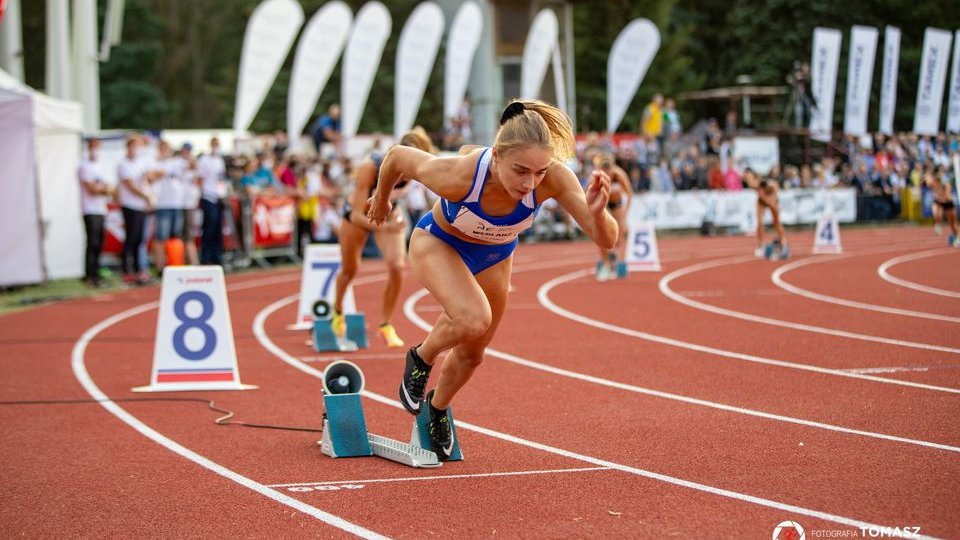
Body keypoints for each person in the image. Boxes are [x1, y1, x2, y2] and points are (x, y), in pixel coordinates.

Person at [366, 100, 618, 460]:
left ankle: (436, 409)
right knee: (473, 317)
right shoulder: (461, 174)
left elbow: (607, 240)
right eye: (521, 171)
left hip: (496, 257)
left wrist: (599, 214)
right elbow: (396, 156)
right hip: (439, 242)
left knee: (473, 356)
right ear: (497, 155)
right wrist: (381, 198)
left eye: (540, 172)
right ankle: (422, 357)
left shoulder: (556, 179)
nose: (530, 183)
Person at [330, 127, 437, 349]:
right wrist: (385, 228)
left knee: (398, 267)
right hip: (357, 217)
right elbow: (358, 214)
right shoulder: (370, 168)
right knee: (350, 270)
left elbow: (435, 195)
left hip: (390, 215)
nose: (408, 174)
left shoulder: (420, 168)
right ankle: (337, 311)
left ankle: (385, 324)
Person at [117, 136, 160, 284]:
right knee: (131, 238)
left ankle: (138, 270)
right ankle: (126, 270)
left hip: (141, 206)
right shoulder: (123, 164)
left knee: (139, 239)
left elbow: (151, 176)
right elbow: (130, 185)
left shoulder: (140, 163)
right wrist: (146, 196)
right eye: (133, 146)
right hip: (130, 205)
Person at [78, 137, 113, 287]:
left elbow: (110, 188)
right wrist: (103, 189)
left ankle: (96, 273)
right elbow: (92, 189)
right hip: (89, 209)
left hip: (101, 209)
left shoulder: (101, 167)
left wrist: (103, 189)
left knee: (100, 242)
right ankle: (89, 275)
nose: (96, 149)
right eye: (94, 146)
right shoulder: (84, 166)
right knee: (92, 242)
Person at [592, 153, 633, 281]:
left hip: (617, 204)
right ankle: (605, 264)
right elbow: (587, 195)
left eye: (608, 169)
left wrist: (625, 215)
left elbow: (630, 195)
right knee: (602, 233)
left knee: (621, 232)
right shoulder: (596, 177)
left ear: (612, 167)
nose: (607, 172)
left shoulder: (619, 175)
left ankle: (620, 261)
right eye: (604, 169)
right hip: (602, 204)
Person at [745, 168, 787, 258]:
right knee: (759, 223)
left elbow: (772, 201)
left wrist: (769, 201)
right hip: (761, 203)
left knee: (776, 222)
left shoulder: (773, 186)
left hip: (772, 201)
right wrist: (749, 176)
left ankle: (783, 240)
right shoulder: (756, 186)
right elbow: (750, 182)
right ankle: (761, 244)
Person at [198, 137, 227, 265]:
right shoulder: (204, 160)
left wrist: (223, 194)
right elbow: (200, 178)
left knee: (217, 229)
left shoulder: (220, 160)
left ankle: (217, 256)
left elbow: (221, 179)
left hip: (218, 197)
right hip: (208, 196)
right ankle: (206, 256)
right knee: (209, 228)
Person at [927, 169, 958, 246]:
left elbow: (947, 195)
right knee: (936, 214)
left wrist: (943, 194)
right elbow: (927, 182)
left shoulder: (945, 183)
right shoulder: (932, 181)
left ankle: (957, 237)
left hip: (948, 202)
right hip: (938, 201)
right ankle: (937, 224)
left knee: (952, 223)